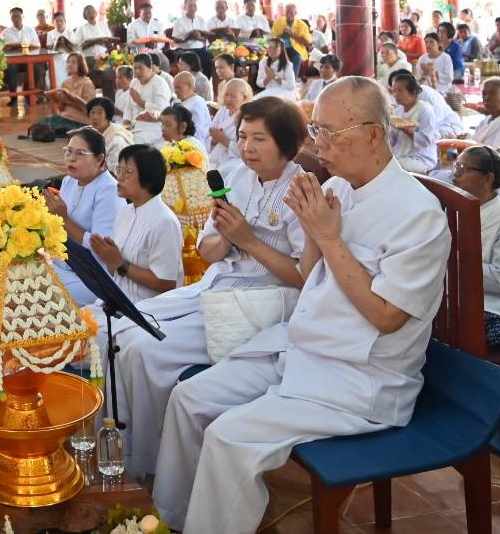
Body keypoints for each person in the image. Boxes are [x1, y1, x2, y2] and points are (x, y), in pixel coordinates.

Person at [153, 77, 451, 534]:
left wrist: (327, 236)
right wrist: (315, 232)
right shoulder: (343, 191)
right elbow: (310, 275)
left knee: (228, 438)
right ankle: (167, 519)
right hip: (303, 347)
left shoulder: (419, 214)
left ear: (374, 134)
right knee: (188, 398)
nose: (320, 146)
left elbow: (388, 317)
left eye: (330, 133)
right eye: (316, 131)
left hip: (358, 378)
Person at [107, 97, 350, 478]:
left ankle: (149, 465)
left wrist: (248, 239)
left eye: (259, 139)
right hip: (216, 284)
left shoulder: (301, 189)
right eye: (242, 136)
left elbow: (307, 278)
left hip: (259, 303)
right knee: (121, 331)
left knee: (145, 353)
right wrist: (224, 236)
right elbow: (207, 249)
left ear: (286, 145)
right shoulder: (234, 176)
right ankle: (125, 449)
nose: (247, 148)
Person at [451, 145, 500, 348]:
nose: (456, 173)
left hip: (493, 303)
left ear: (487, 178)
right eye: (456, 165)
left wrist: (454, 261)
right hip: (453, 294)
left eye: (464, 168)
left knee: (466, 336)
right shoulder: (453, 207)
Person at [88, 143, 182, 304]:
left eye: (128, 171)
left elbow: (166, 283)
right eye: (119, 169)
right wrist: (109, 258)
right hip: (118, 300)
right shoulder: (125, 212)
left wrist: (120, 263)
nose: (120, 177)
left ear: (148, 178)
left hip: (147, 311)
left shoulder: (164, 221)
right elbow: (115, 270)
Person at [42, 127, 122, 306]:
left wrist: (64, 220)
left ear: (99, 159)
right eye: (68, 151)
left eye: (80, 153)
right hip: (63, 264)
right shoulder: (69, 180)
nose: (71, 158)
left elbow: (102, 250)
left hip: (93, 276)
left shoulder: (109, 191)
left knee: (40, 295)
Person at [387, 71, 439, 174]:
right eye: (394, 90)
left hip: (421, 157)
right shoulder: (398, 110)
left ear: (412, 93)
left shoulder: (425, 110)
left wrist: (405, 130)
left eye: (400, 90)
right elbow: (393, 139)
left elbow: (426, 141)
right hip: (400, 153)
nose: (396, 94)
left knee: (393, 166)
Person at [206, 77, 253, 171]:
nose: (227, 99)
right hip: (216, 154)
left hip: (235, 162)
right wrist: (213, 140)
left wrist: (224, 140)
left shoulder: (247, 117)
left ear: (244, 97)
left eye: (232, 96)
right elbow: (210, 133)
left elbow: (246, 149)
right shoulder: (223, 111)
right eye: (226, 95)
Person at [125, 54, 172, 145]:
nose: (137, 71)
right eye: (135, 68)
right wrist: (126, 124)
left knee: (134, 142)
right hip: (134, 126)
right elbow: (128, 107)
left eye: (140, 68)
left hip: (153, 127)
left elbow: (162, 110)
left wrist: (140, 101)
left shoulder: (159, 83)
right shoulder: (134, 82)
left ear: (150, 68)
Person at [0, 6, 42, 101]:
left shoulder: (30, 30)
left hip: (28, 60)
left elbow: (37, 45)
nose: (16, 19)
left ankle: (29, 95)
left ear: (23, 16)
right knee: (11, 70)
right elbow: (2, 46)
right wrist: (16, 44)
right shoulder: (6, 32)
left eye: (18, 16)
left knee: (37, 69)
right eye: (13, 17)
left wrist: (26, 45)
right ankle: (13, 98)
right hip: (13, 61)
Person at [42, 52, 95, 124]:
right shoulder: (66, 82)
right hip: (66, 115)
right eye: (68, 62)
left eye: (73, 62)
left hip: (81, 120)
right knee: (42, 122)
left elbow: (89, 110)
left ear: (80, 65)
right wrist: (59, 100)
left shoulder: (87, 83)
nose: (70, 64)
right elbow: (61, 109)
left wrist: (69, 102)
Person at [86, 96, 133, 169]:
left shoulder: (116, 140)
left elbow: (115, 170)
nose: (95, 117)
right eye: (92, 112)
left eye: (100, 113)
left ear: (108, 116)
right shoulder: (89, 132)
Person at [172, 71, 211, 145]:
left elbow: (198, 133)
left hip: (192, 144)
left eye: (178, 87)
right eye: (174, 87)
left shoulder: (197, 104)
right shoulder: (176, 101)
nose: (175, 91)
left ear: (190, 87)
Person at [269, 3, 310, 73]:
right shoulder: (278, 22)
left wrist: (292, 34)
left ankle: (293, 80)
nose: (288, 14)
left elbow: (307, 43)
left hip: (295, 49)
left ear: (296, 13)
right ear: (284, 12)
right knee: (274, 58)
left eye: (291, 12)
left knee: (297, 57)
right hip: (280, 48)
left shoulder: (302, 25)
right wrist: (283, 35)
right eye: (287, 12)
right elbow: (271, 39)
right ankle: (278, 79)